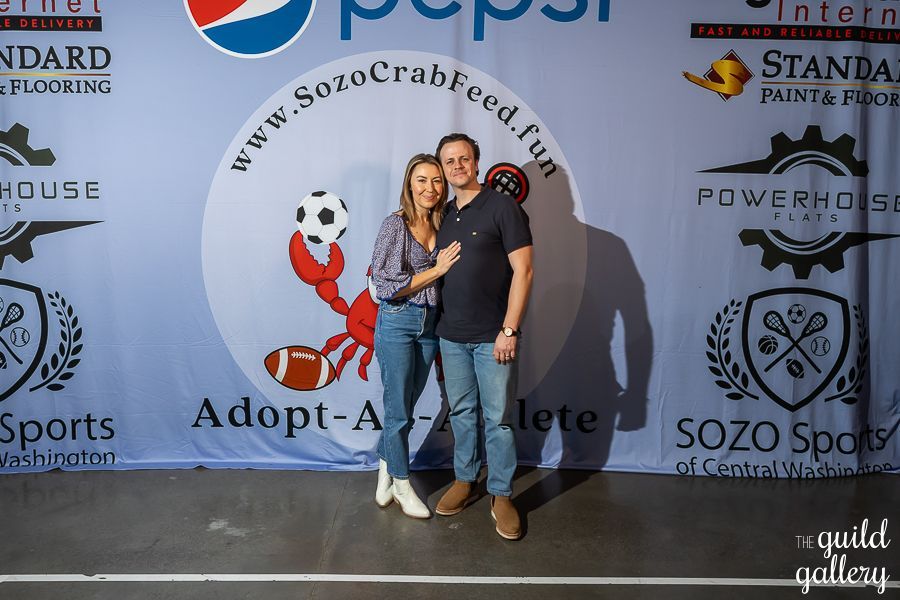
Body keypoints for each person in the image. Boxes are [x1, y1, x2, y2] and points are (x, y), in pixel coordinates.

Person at [433, 133, 533, 540]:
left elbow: (524, 272)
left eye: (464, 158)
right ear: (442, 169)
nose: (457, 166)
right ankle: (465, 479)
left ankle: (502, 494)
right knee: (460, 414)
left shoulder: (503, 207)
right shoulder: (443, 214)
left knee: (499, 421)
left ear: (477, 162)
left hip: (493, 338)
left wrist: (509, 330)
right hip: (450, 337)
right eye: (449, 161)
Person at [370, 153, 462, 519]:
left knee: (405, 406)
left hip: (431, 324)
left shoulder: (444, 222)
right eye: (422, 180)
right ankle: (403, 484)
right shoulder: (395, 225)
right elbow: (384, 283)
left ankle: (384, 467)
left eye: (437, 181)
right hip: (397, 321)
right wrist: (435, 270)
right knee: (398, 411)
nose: (430, 188)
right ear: (410, 184)